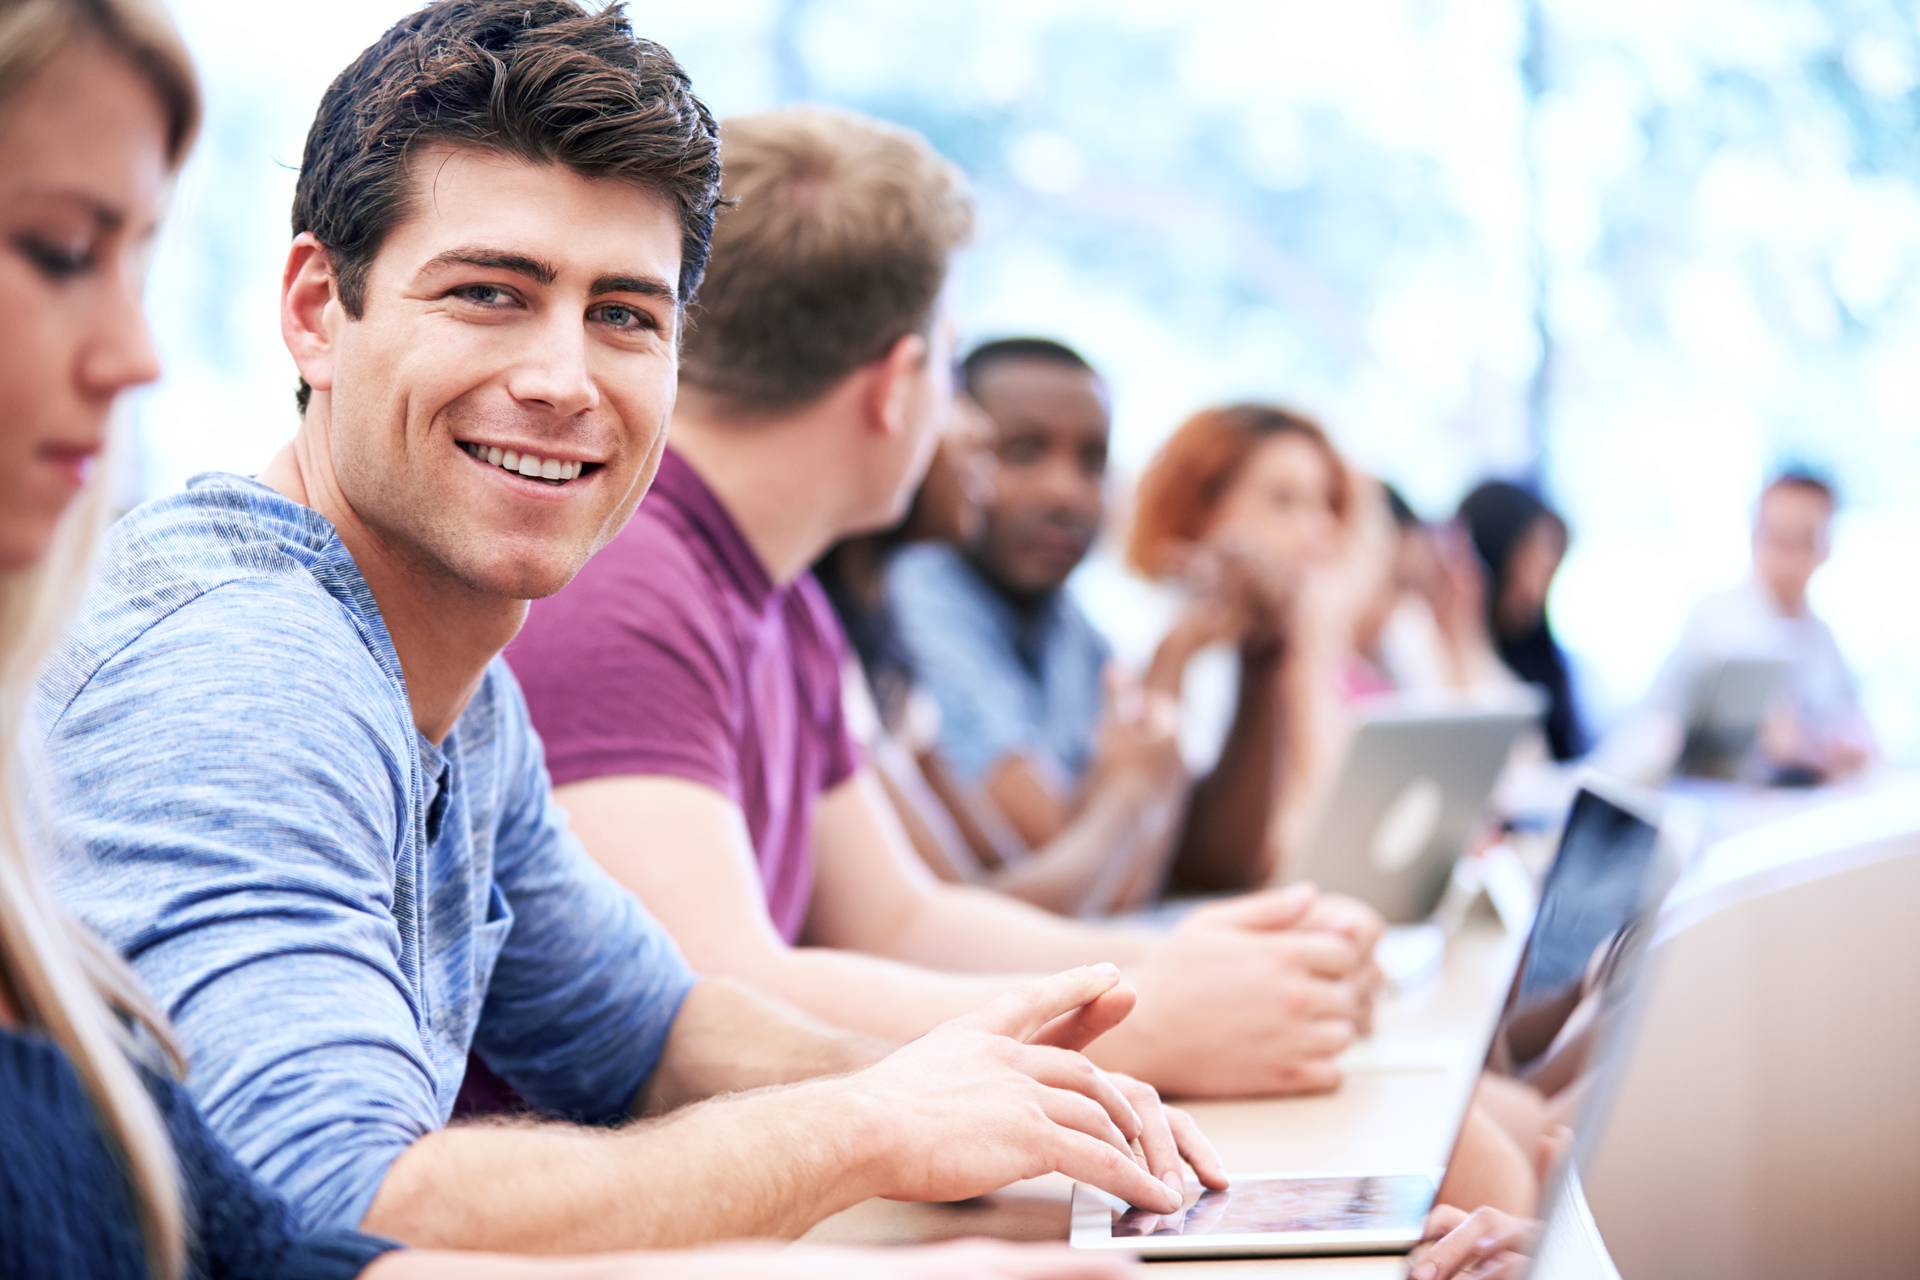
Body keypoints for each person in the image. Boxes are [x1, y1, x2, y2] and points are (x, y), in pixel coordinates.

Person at [38, 0, 1211, 1257]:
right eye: (491, 292)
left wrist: (983, 1090)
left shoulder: (452, 679)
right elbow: (341, 1202)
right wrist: (869, 1123)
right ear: (320, 309)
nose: (563, 379)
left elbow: (650, 1033)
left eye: (625, 315)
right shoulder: (243, 665)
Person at [509, 109, 1383, 1102]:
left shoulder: (773, 591)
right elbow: (708, 998)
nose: (961, 423)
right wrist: (1148, 1021)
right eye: (951, 369)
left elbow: (900, 918)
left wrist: (1163, 967)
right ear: (896, 386)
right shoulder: (627, 583)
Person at [818, 393, 1185, 916]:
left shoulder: (1070, 626)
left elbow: (990, 897)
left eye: (1093, 461)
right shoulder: (895, 605)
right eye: (948, 385)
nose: (974, 431)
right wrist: (1133, 788)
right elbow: (964, 927)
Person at [1119, 402, 1375, 889]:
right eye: (1284, 501)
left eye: (1324, 504)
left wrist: (1305, 654)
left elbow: (1336, 828)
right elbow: (1233, 858)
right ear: (1201, 508)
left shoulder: (1285, 640)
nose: (1317, 531)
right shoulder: (1153, 634)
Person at [1627, 468, 1874, 782]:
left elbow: (1858, 733)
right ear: (1755, 536)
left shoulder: (1820, 636)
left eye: (1804, 541)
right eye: (1778, 539)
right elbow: (1770, 747)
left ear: (1825, 547)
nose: (1789, 559)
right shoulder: (1717, 622)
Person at [1458, 480, 1584, 761]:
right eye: (1531, 563)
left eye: (1549, 569)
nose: (1537, 587)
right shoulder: (1457, 644)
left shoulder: (1544, 655)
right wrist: (1467, 640)